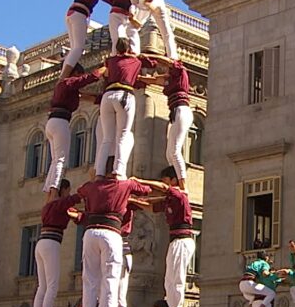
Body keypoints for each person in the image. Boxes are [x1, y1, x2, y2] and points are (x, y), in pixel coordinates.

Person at [73, 172, 151, 307]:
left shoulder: (112, 189)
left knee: (114, 291)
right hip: (112, 239)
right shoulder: (121, 189)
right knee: (110, 286)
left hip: (119, 243)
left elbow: (147, 200)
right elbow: (147, 194)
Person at [134, 166, 195, 307]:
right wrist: (133, 201)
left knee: (177, 278)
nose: (163, 184)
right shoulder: (170, 200)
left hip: (182, 240)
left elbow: (163, 189)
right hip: (175, 241)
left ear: (173, 180)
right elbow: (152, 206)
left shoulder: (180, 195)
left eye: (165, 180)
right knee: (169, 279)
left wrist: (140, 181)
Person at [44, 65, 103, 199]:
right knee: (60, 160)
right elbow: (90, 78)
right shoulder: (68, 82)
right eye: (79, 75)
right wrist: (104, 69)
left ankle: (48, 192)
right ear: (75, 73)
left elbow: (87, 96)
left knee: (55, 161)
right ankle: (53, 193)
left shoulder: (64, 87)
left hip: (52, 122)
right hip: (61, 122)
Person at [34, 179, 81, 307]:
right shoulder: (60, 204)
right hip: (51, 243)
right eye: (68, 190)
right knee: (52, 285)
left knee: (42, 286)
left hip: (40, 242)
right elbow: (75, 199)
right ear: (64, 189)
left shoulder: (47, 206)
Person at [96, 38, 145, 179]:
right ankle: (118, 170)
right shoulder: (136, 62)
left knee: (107, 138)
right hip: (125, 94)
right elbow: (150, 63)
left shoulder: (110, 61)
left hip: (107, 95)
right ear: (130, 49)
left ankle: (99, 172)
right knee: (123, 135)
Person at [141, 60, 193, 189]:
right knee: (169, 153)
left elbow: (170, 63)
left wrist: (149, 57)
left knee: (175, 151)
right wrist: (137, 78)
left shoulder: (180, 72)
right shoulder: (170, 79)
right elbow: (154, 80)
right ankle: (175, 178)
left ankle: (183, 185)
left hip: (182, 110)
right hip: (176, 113)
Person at [60, 0, 112, 80]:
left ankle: (64, 74)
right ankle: (62, 78)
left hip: (73, 13)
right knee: (78, 48)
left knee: (74, 49)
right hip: (79, 13)